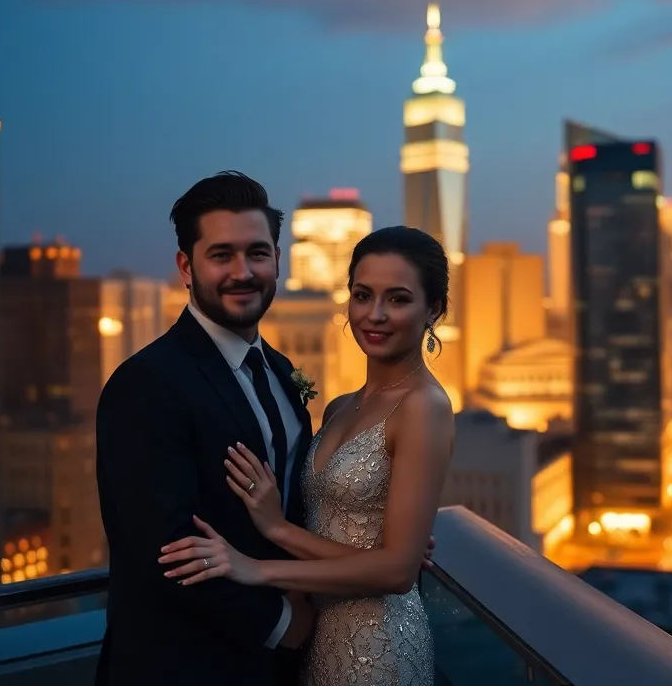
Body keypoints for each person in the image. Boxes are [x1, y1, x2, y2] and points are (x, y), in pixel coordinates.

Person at [158, 225, 456, 686]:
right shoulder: (340, 407)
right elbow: (343, 527)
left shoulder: (425, 407)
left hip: (377, 648)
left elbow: (397, 570)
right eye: (362, 295)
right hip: (316, 637)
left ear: (432, 308)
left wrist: (259, 560)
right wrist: (279, 527)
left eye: (397, 299)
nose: (374, 315)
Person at [95, 172, 316, 684]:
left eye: (258, 253)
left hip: (277, 669)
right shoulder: (146, 384)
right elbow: (164, 551)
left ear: (278, 260)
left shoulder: (283, 372)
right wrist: (283, 623)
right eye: (222, 255)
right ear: (186, 267)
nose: (243, 272)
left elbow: (297, 498)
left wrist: (376, 544)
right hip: (183, 667)